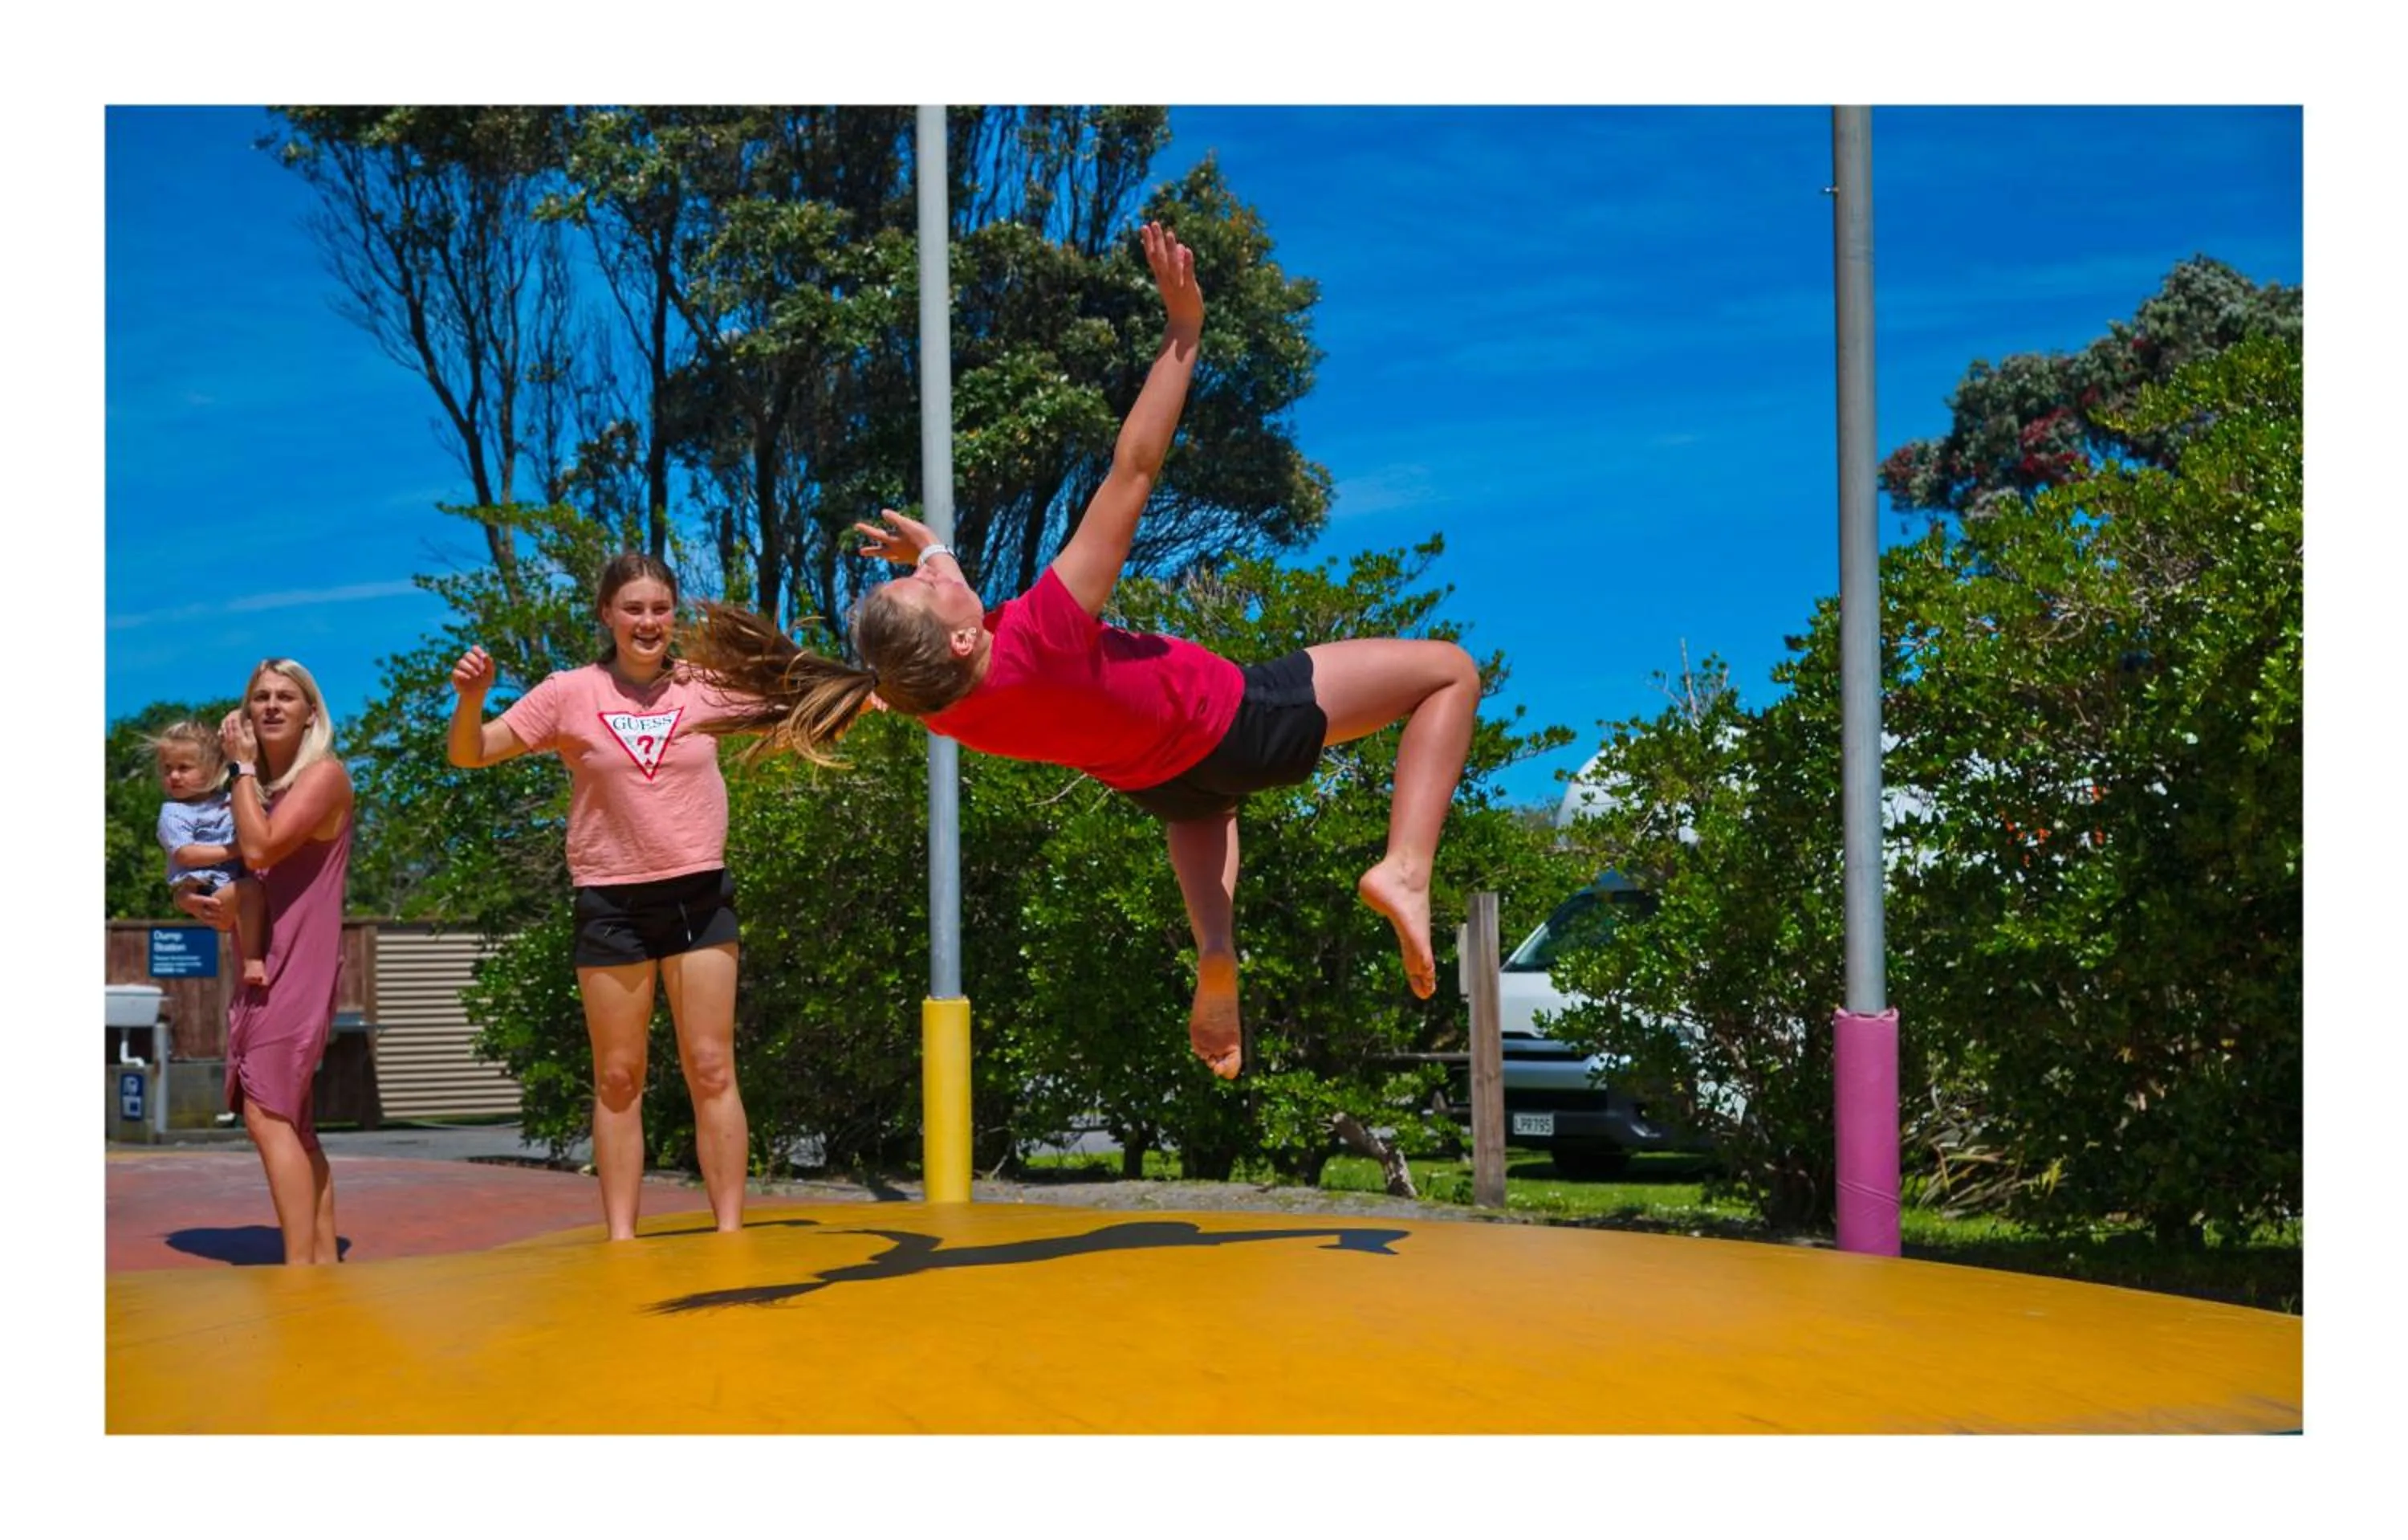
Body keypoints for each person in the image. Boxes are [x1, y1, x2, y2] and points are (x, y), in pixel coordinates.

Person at [685, 222, 1479, 1080]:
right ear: (958, 632)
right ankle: (1404, 868)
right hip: (1241, 716)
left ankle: (1217, 948)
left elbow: (914, 656)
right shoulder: (1043, 628)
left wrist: (934, 559)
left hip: (1161, 782)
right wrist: (1183, 332)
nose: (935, 571)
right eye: (926, 585)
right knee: (1448, 674)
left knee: (1211, 812)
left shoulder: (941, 706)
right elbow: (1132, 470)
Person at [447, 553, 759, 1241]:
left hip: (698, 895)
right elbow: (471, 753)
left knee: (710, 1066)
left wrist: (884, 689)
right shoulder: (569, 692)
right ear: (607, 616)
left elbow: (802, 707)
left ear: (675, 615)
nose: (649, 623)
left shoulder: (709, 687)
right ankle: (622, 1239)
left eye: (660, 609)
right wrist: (472, 699)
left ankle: (731, 1234)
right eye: (634, 609)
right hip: (612, 902)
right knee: (619, 1077)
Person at [218, 658, 355, 1265]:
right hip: (262, 967)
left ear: (311, 714)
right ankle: (321, 1264)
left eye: (286, 697)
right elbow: (248, 872)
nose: (271, 706)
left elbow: (261, 846)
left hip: (297, 968)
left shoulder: (323, 778)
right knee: (292, 1124)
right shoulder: (259, 792)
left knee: (266, 1114)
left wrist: (240, 767)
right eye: (261, 697)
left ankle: (297, 1271)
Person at [150, 719, 270, 987]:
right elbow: (185, 855)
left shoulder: (226, 800)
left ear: (212, 769)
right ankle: (253, 959)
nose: (174, 776)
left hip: (225, 881)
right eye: (168, 769)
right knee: (250, 890)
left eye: (184, 768)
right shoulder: (174, 813)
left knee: (251, 891)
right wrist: (236, 849)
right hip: (203, 888)